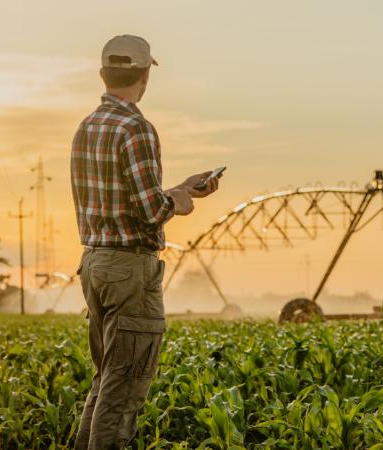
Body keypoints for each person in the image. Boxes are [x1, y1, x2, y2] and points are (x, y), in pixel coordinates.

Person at [70, 35, 219, 449]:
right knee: (126, 386)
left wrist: (173, 189)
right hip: (130, 269)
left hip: (95, 263)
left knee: (106, 381)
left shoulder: (87, 127)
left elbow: (123, 199)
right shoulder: (136, 128)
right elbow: (150, 211)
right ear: (144, 76)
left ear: (103, 74)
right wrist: (182, 202)